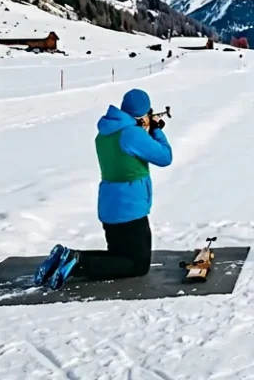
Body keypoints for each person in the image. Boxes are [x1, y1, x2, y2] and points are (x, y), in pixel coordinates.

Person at [33, 88, 173, 289]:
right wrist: (156, 131)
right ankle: (77, 262)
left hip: (110, 204)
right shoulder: (131, 134)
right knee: (137, 265)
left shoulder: (105, 132)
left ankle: (66, 258)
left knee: (118, 257)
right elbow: (164, 157)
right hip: (130, 206)